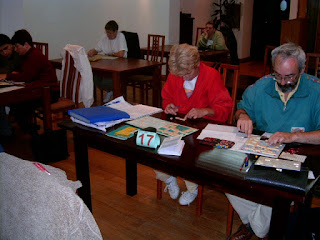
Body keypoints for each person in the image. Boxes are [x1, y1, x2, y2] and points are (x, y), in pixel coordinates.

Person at [226, 42, 320, 240]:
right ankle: (257, 223)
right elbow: (241, 108)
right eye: (278, 75)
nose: (283, 82)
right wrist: (242, 116)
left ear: (302, 70)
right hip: (262, 151)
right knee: (228, 175)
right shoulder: (262, 86)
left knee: (275, 190)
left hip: (300, 157)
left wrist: (293, 136)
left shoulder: (316, 90)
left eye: (290, 76)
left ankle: (255, 226)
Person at [157, 43, 233, 205]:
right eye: (180, 75)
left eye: (188, 73)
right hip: (178, 127)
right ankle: (169, 178)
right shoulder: (175, 74)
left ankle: (192, 188)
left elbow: (225, 109)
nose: (184, 78)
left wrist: (205, 111)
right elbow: (167, 97)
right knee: (154, 148)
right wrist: (168, 105)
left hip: (202, 131)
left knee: (188, 153)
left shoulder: (211, 76)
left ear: (197, 64)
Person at [0, 29, 58, 135]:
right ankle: (28, 128)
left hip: (49, 92)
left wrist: (7, 76)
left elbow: (26, 76)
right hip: (39, 88)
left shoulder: (34, 55)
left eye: (17, 46)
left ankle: (30, 131)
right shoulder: (26, 55)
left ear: (26, 45)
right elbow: (23, 72)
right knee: (17, 102)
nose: (16, 50)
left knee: (20, 103)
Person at [88, 20, 128, 103]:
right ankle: (109, 90)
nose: (108, 35)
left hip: (120, 65)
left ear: (116, 31)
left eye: (110, 33)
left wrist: (111, 54)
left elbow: (121, 54)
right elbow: (97, 49)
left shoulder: (121, 36)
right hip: (107, 63)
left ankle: (112, 91)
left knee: (108, 80)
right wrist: (92, 51)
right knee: (95, 76)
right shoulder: (104, 37)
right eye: (107, 32)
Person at [0, 34, 20, 138]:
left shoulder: (19, 52)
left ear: (11, 44)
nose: (4, 53)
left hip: (21, 87)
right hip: (8, 85)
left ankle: (6, 131)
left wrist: (7, 74)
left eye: (5, 48)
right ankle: (6, 130)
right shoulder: (2, 56)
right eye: (1, 51)